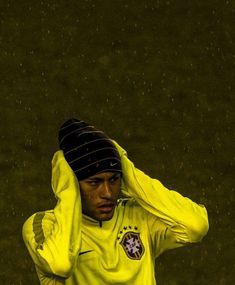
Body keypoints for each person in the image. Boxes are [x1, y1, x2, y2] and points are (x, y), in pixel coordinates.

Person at [22, 118, 209, 285]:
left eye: (113, 179)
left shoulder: (138, 217)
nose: (107, 193)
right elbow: (60, 265)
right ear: (71, 182)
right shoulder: (45, 226)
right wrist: (67, 185)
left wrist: (126, 169)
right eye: (94, 182)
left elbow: (195, 226)